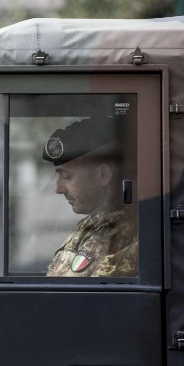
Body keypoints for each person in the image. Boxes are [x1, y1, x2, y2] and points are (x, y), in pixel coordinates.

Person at [42, 116, 138, 277]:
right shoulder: (96, 224)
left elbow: (68, 297)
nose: (58, 189)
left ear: (103, 174)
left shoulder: (116, 231)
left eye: (66, 176)